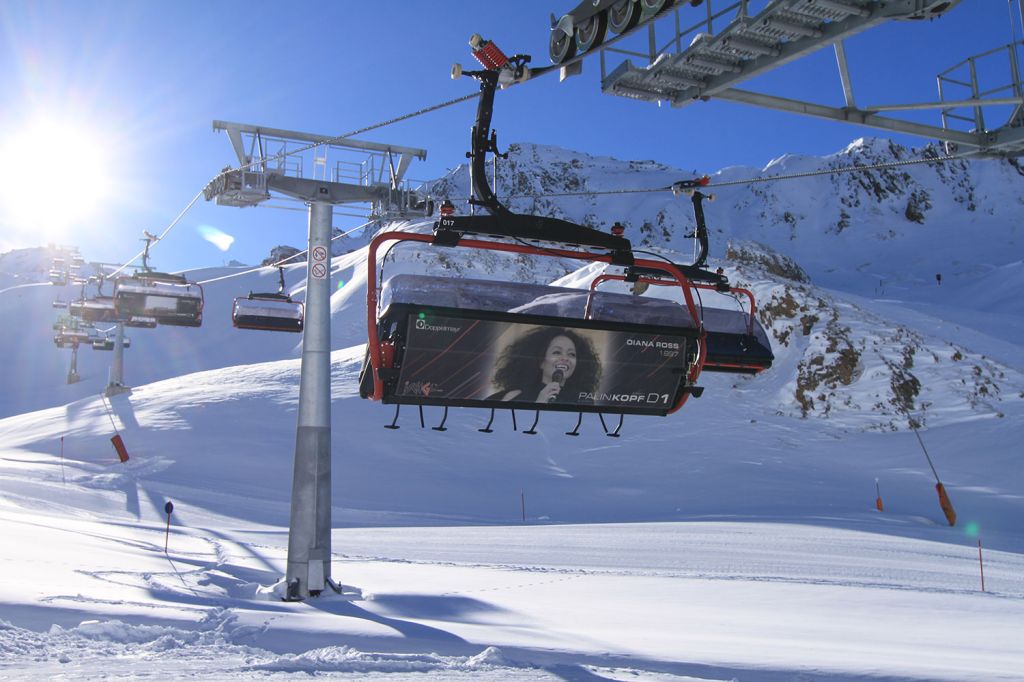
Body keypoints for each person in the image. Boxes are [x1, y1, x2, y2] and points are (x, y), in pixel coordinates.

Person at [487, 327, 601, 404]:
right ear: (541, 361)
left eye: (571, 354)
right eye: (557, 352)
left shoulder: (583, 401)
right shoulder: (513, 396)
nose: (565, 358)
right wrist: (539, 404)